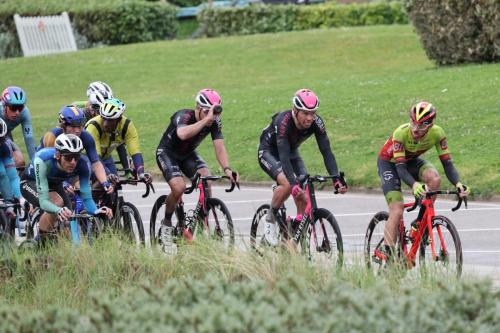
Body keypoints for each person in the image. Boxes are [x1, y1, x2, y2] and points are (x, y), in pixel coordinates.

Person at [377, 101, 470, 259]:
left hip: (411, 161)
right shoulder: (401, 133)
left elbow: (447, 164)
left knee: (434, 179)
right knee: (397, 209)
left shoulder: (437, 133)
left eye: (421, 125)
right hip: (390, 164)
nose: (415, 128)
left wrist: (458, 184)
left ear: (431, 124)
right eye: (413, 122)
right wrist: (414, 185)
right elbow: (400, 168)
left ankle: (419, 223)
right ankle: (388, 253)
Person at [257, 88, 347, 246]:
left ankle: (294, 232)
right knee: (287, 183)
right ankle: (270, 218)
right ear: (295, 110)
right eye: (305, 113)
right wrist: (292, 184)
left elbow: (326, 152)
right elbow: (284, 159)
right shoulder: (283, 121)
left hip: (291, 151)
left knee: (304, 186)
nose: (310, 117)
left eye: (313, 113)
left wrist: (336, 178)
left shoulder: (317, 123)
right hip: (269, 152)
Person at [156, 88, 239, 252]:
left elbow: (219, 147)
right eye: (207, 112)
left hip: (187, 155)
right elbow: (182, 134)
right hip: (167, 153)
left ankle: (201, 223)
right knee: (179, 187)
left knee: (206, 178)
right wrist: (205, 120)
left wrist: (228, 169)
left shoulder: (214, 121)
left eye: (214, 112)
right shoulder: (184, 116)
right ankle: (166, 222)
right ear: (198, 108)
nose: (212, 116)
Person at [21, 134, 112, 244]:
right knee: (57, 203)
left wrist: (97, 211)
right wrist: (57, 210)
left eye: (76, 157)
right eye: (68, 157)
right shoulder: (43, 160)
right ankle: (42, 244)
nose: (73, 162)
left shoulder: (82, 164)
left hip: (55, 184)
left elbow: (86, 198)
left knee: (69, 214)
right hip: (30, 183)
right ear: (58, 155)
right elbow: (44, 201)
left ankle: (59, 246)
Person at [38, 105, 113, 194]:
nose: (77, 131)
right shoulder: (52, 137)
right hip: (47, 166)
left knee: (86, 163)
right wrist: (63, 183)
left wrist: (104, 182)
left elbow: (96, 163)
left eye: (80, 126)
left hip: (68, 164)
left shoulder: (86, 137)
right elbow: (50, 166)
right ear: (63, 126)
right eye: (73, 126)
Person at [73, 81, 132, 178]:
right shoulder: (82, 112)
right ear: (92, 108)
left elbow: (119, 142)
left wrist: (127, 169)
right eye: (100, 111)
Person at [85, 98, 152, 182]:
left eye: (110, 120)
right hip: (87, 157)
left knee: (116, 184)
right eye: (103, 118)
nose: (105, 124)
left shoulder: (127, 126)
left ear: (119, 119)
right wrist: (107, 174)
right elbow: (95, 157)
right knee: (102, 181)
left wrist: (141, 173)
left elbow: (135, 152)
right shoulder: (93, 126)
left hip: (106, 157)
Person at [0, 86, 36, 169]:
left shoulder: (24, 113)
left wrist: (35, 164)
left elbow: (29, 139)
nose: (17, 112)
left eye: (20, 108)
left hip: (5, 135)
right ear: (5, 105)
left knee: (19, 162)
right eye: (13, 108)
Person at [0, 118, 21, 217]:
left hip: (3, 153)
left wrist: (20, 199)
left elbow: (13, 177)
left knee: (7, 174)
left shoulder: (5, 145)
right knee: (2, 173)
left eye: (1, 139)